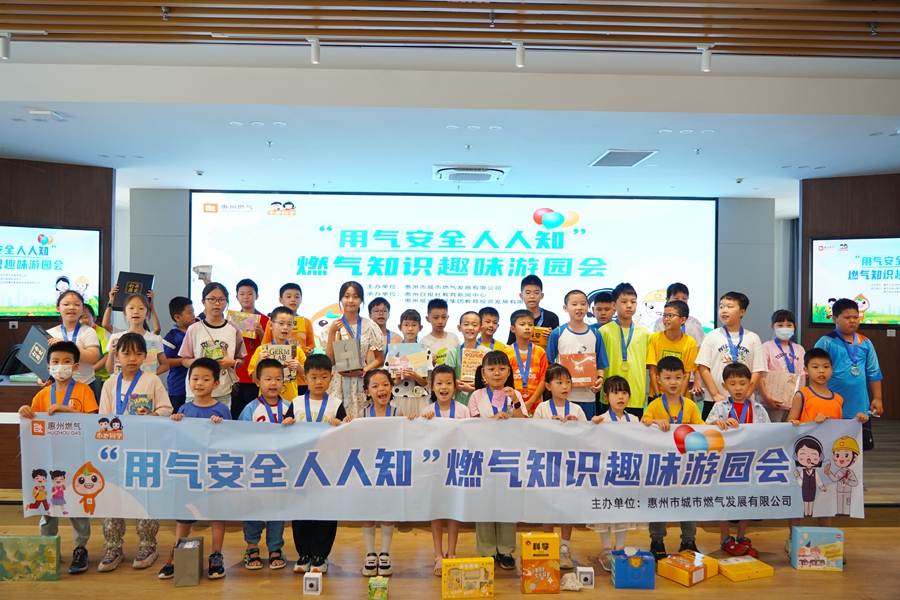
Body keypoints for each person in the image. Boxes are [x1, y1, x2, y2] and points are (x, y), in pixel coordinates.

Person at [18, 340, 98, 574]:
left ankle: (80, 548)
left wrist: (68, 411)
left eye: (66, 362)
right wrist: (24, 411)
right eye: (55, 362)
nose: (60, 366)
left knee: (76, 507)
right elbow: (32, 424)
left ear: (75, 366)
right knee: (47, 506)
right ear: (48, 366)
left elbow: (93, 422)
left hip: (76, 460)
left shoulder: (84, 391)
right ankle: (47, 547)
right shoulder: (42, 395)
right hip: (47, 461)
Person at [97, 333, 172, 572]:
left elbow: (167, 409)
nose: (132, 359)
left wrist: (148, 417)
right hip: (115, 451)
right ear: (117, 355)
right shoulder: (110, 383)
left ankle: (147, 544)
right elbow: (103, 417)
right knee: (113, 497)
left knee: (144, 496)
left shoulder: (152, 380)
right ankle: (113, 546)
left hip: (144, 449)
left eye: (138, 354)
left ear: (145, 356)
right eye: (127, 353)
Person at [158, 358, 230, 580]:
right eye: (195, 378)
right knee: (184, 515)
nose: (199, 383)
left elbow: (231, 439)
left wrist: (220, 426)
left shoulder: (222, 409)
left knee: (217, 515)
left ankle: (216, 555)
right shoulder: (184, 408)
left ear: (216, 384)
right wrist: (176, 421)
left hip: (214, 471)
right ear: (188, 381)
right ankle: (177, 553)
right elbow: (177, 439)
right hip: (190, 472)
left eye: (206, 379)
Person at [283, 354, 348, 574]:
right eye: (313, 377)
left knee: (326, 511)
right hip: (300, 467)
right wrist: (286, 422)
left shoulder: (336, 404)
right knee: (300, 511)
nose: (319, 382)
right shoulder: (296, 403)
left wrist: (340, 424)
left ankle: (320, 555)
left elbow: (345, 434)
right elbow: (284, 433)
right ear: (305, 378)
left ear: (331, 377)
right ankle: (303, 554)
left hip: (327, 468)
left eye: (324, 377)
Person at [641, 356, 703, 561]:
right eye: (667, 378)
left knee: (688, 501)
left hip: (686, 467)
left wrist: (718, 425)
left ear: (685, 378)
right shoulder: (654, 406)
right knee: (658, 501)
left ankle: (688, 540)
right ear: (658, 379)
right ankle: (657, 540)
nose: (673, 382)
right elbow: (641, 426)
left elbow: (702, 429)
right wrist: (653, 422)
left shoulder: (691, 406)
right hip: (662, 467)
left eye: (678, 377)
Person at [469, 351, 526, 570]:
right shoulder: (476, 396)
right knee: (484, 502)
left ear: (509, 372)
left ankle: (505, 550)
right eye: (491, 369)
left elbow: (523, 424)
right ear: (483, 373)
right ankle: (486, 550)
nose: (497, 373)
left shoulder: (515, 394)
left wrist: (515, 402)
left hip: (509, 456)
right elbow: (471, 427)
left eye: (502, 369)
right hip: (483, 457)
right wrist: (493, 419)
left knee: (506, 503)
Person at [706, 363, 770, 558]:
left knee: (746, 498)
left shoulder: (758, 409)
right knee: (725, 498)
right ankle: (725, 537)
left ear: (750, 384)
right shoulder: (719, 407)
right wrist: (716, 423)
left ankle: (742, 536)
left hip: (750, 462)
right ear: (724, 386)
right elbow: (706, 429)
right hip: (725, 462)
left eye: (742, 383)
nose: (738, 388)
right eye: (733, 384)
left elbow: (770, 432)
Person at [355, 369, 415, 577]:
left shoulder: (398, 413)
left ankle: (385, 554)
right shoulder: (361, 415)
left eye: (385, 384)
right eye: (375, 386)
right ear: (367, 392)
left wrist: (412, 421)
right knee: (368, 512)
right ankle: (370, 553)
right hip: (368, 471)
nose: (381, 389)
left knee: (388, 512)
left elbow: (407, 438)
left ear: (391, 387)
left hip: (390, 470)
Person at [236, 358, 290, 571]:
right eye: (268, 379)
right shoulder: (250, 409)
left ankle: (275, 548)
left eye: (278, 379)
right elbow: (240, 438)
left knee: (278, 508)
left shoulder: (289, 408)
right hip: (256, 469)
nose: (273, 383)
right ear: (257, 381)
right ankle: (252, 546)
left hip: (281, 469)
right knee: (254, 507)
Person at [590, 376, 646, 571]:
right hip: (606, 474)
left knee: (623, 509)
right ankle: (606, 549)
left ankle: (620, 548)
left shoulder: (635, 420)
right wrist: (592, 425)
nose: (620, 397)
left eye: (624, 393)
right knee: (606, 510)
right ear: (606, 397)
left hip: (627, 473)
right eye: (615, 393)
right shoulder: (600, 420)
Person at [533, 364, 586, 570]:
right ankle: (548, 543)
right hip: (548, 465)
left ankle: (565, 547)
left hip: (570, 467)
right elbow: (536, 436)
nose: (565, 386)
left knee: (566, 506)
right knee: (548, 506)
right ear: (548, 386)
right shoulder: (542, 409)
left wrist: (576, 426)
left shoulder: (577, 409)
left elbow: (587, 437)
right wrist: (550, 427)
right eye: (559, 382)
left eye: (568, 382)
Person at [813, 297, 883, 449]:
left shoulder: (866, 343)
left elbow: (874, 373)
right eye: (847, 317)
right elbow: (813, 372)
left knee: (859, 448)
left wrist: (877, 398)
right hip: (831, 405)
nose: (852, 321)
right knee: (831, 447)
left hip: (859, 407)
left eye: (855, 317)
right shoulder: (826, 342)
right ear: (835, 319)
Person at [420, 365, 470, 575]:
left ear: (455, 386)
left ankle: (452, 553)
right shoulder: (427, 411)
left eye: (449, 383)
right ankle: (438, 555)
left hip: (456, 466)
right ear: (432, 387)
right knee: (437, 511)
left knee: (453, 509)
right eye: (439, 383)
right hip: (435, 468)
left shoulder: (463, 410)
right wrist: (423, 422)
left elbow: (470, 436)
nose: (444, 387)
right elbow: (421, 439)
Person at [696, 291, 766, 419]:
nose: (724, 310)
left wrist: (747, 393)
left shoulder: (753, 338)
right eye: (721, 306)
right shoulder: (712, 336)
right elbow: (703, 367)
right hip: (714, 400)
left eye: (729, 307)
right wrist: (715, 394)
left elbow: (757, 370)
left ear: (742, 312)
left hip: (744, 401)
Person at [178, 282, 247, 410]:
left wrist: (232, 363)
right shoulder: (194, 329)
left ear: (227, 302)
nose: (217, 303)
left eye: (221, 299)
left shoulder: (233, 329)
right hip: (196, 390)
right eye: (212, 299)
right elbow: (184, 360)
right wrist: (198, 362)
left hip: (222, 390)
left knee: (220, 421)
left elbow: (241, 359)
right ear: (203, 302)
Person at [322, 281, 385, 418]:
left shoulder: (370, 326)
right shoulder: (331, 327)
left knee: (360, 420)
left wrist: (363, 371)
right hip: (338, 380)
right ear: (341, 299)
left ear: (361, 300)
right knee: (336, 421)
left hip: (360, 380)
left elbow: (380, 359)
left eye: (355, 297)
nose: (351, 300)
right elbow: (329, 362)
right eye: (347, 296)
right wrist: (332, 332)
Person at [546, 289, 608, 419]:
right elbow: (550, 363)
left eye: (583, 304)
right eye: (574, 304)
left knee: (585, 428)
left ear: (588, 307)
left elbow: (600, 364)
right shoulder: (557, 333)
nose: (579, 307)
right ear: (565, 308)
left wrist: (600, 379)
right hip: (563, 396)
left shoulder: (596, 334)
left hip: (588, 395)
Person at [600, 283, 651, 418]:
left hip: (636, 393)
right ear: (614, 305)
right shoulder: (604, 331)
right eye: (624, 302)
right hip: (611, 393)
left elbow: (648, 365)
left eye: (633, 302)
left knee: (634, 429)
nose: (629, 305)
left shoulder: (645, 333)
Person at [261, 283, 316, 394]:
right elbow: (265, 344)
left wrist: (309, 351)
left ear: (301, 300)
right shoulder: (271, 323)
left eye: (297, 296)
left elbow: (311, 346)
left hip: (299, 377)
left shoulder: (306, 322)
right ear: (281, 300)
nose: (293, 300)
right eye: (289, 296)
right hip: (277, 375)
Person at [247, 306, 307, 400]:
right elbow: (255, 380)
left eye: (289, 324)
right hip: (266, 401)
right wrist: (259, 361)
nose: (285, 327)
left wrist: (299, 367)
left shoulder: (297, 351)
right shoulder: (261, 350)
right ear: (271, 325)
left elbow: (308, 379)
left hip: (290, 400)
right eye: (281, 323)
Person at [231, 278, 270, 420]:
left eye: (250, 293)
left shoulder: (265, 320)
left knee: (253, 412)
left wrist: (261, 333)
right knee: (235, 412)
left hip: (254, 374)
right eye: (242, 294)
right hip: (236, 373)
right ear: (236, 297)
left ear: (257, 296)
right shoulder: (231, 321)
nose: (245, 297)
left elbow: (269, 346)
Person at [46, 290, 101, 389]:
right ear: (58, 308)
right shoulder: (49, 334)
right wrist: (41, 377)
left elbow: (93, 359)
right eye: (66, 304)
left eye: (77, 304)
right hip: (58, 386)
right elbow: (44, 362)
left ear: (82, 309)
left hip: (85, 385)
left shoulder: (89, 331)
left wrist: (66, 345)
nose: (71, 307)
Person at [105, 293, 168, 377]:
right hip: (120, 383)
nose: (135, 312)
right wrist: (111, 353)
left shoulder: (154, 339)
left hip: (145, 384)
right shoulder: (116, 337)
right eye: (131, 308)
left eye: (141, 308)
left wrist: (148, 376)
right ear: (125, 314)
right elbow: (109, 370)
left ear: (147, 314)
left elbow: (165, 365)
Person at [759, 309, 806, 422]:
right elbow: (760, 374)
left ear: (794, 327)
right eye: (780, 325)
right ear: (772, 327)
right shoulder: (767, 347)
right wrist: (766, 398)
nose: (785, 328)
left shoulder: (799, 349)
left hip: (794, 403)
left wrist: (800, 399)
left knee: (791, 429)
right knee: (773, 430)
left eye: (789, 325)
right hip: (773, 402)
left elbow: (803, 376)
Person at [647, 300, 700, 399]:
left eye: (670, 316)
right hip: (657, 395)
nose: (666, 319)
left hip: (680, 396)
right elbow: (653, 370)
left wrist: (679, 398)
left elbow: (687, 373)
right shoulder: (655, 338)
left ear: (682, 320)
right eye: (664, 315)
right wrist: (657, 395)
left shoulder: (690, 342)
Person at [390, 308, 433, 417]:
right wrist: (396, 380)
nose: (410, 328)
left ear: (420, 327)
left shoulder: (425, 350)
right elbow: (389, 380)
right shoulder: (393, 351)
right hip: (398, 396)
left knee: (418, 425)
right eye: (406, 325)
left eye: (414, 325)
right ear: (400, 327)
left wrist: (416, 377)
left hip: (418, 397)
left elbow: (425, 382)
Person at [504, 309, 549, 415]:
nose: (527, 327)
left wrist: (531, 402)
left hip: (535, 404)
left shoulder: (540, 352)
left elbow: (543, 379)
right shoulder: (506, 352)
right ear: (513, 329)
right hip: (512, 403)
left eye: (530, 324)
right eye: (522, 324)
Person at [506, 274, 559, 347]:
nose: (532, 296)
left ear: (542, 296)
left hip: (544, 354)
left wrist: (552, 337)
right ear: (521, 296)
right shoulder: (517, 317)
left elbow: (558, 344)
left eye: (536, 293)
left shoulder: (552, 317)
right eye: (528, 293)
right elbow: (511, 344)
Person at [162, 296, 194, 413]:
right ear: (177, 317)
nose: (193, 315)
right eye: (190, 313)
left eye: (193, 311)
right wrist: (184, 361)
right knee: (178, 415)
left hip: (195, 386)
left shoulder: (197, 331)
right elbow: (166, 361)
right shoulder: (172, 336)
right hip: (178, 386)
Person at [442, 311, 482, 405]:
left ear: (481, 329)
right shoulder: (453, 352)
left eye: (474, 325)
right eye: (466, 324)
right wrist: (457, 383)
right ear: (459, 327)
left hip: (481, 400)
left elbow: (489, 379)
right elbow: (446, 376)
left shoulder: (487, 352)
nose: (470, 328)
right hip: (458, 400)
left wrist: (473, 387)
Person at [80, 304, 110, 400]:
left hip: (100, 380)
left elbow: (107, 357)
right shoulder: (77, 333)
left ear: (94, 318)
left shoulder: (103, 332)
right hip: (79, 379)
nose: (81, 321)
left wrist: (89, 372)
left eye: (85, 317)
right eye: (79, 318)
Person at [421, 298, 460, 365]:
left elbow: (459, 361)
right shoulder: (424, 342)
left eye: (444, 317)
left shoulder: (453, 338)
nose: (440, 321)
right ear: (428, 319)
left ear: (447, 318)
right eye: (436, 317)